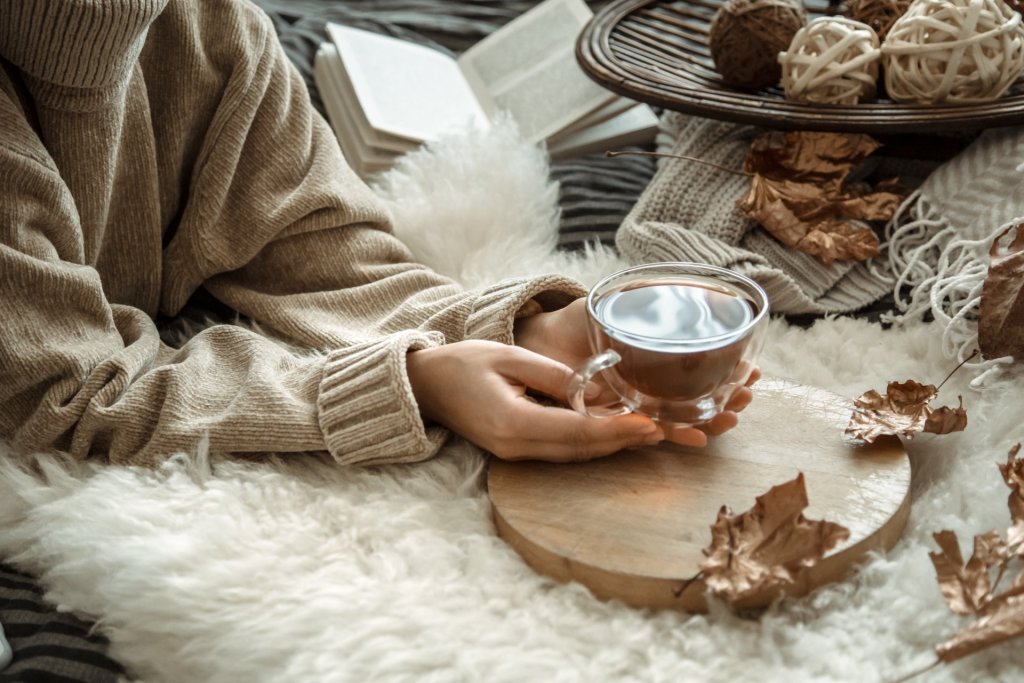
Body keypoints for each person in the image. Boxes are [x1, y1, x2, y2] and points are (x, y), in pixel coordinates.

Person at [0, 0, 752, 469]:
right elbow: (61, 400)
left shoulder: (211, 30)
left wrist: (521, 328)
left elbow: (318, 245)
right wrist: (411, 385)